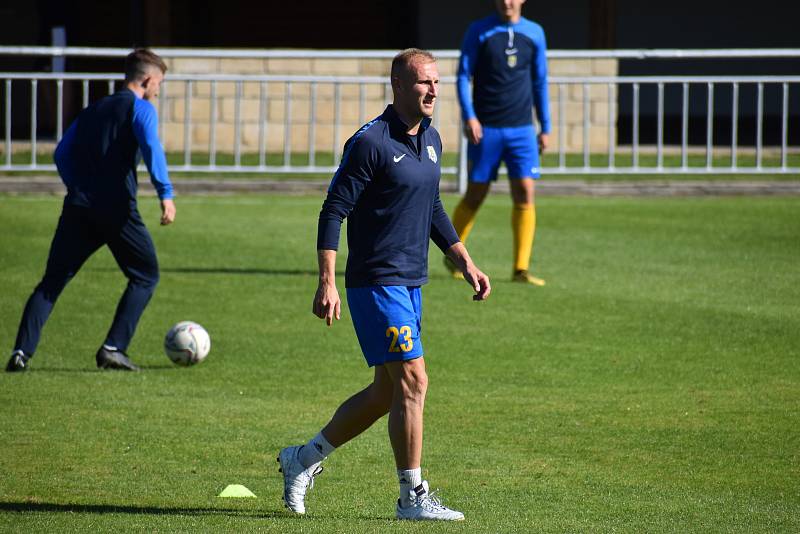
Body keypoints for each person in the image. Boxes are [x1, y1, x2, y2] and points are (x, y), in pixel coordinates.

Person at [277, 48, 491, 521]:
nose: (433, 90)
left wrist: (465, 261)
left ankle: (301, 459)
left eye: (437, 82)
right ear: (398, 86)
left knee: (386, 394)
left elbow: (432, 208)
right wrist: (327, 282)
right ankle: (411, 498)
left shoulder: (432, 139)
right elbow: (334, 209)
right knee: (415, 382)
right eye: (423, 82)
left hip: (413, 282)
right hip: (376, 283)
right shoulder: (370, 143)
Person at [5, 48, 175, 373]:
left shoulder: (93, 109)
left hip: (78, 207)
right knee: (145, 275)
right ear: (149, 79)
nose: (158, 91)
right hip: (117, 210)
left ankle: (21, 352)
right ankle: (113, 347)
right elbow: (152, 147)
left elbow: (60, 153)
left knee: (51, 282)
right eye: (159, 84)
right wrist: (165, 194)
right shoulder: (141, 109)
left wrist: (78, 186)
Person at [447, 0, 551, 286]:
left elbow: (540, 81)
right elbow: (462, 75)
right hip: (487, 129)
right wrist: (470, 117)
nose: (507, 2)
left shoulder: (535, 33)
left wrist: (546, 126)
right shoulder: (479, 30)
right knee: (476, 194)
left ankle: (521, 269)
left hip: (522, 131)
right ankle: (452, 253)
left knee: (525, 193)